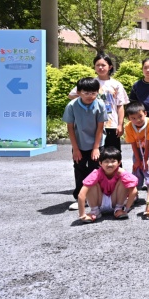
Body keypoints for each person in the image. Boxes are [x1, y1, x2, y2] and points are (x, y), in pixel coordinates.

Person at [68, 54, 129, 151]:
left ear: (110, 67)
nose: (100, 67)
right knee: (96, 153)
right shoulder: (90, 83)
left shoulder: (116, 84)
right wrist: (88, 98)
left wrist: (120, 124)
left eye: (103, 65)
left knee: (113, 153)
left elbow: (120, 106)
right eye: (97, 65)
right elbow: (71, 95)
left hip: (111, 124)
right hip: (93, 124)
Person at [63, 77, 107, 210]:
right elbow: (70, 128)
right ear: (79, 92)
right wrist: (75, 149)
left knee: (96, 170)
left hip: (97, 143)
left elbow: (100, 127)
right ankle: (80, 198)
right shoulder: (72, 106)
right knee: (79, 169)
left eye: (93, 93)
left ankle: (96, 197)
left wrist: (96, 148)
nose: (90, 96)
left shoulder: (100, 104)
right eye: (86, 93)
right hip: (79, 143)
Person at [77, 146, 138, 223]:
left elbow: (134, 190)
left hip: (115, 201)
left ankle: (118, 209)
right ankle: (95, 211)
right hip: (99, 202)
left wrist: (126, 210)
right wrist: (82, 214)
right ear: (100, 163)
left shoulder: (121, 172)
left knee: (124, 181)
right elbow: (81, 194)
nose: (109, 164)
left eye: (113, 161)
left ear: (119, 163)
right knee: (91, 184)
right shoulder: (96, 173)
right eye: (106, 161)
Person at [123, 101, 149, 190]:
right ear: (128, 118)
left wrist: (145, 159)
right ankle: (136, 188)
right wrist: (137, 160)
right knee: (136, 166)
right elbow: (133, 143)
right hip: (137, 148)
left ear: (145, 113)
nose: (138, 120)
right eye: (133, 118)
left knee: (148, 167)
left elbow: (148, 142)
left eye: (140, 116)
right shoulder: (128, 126)